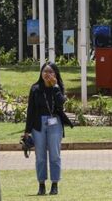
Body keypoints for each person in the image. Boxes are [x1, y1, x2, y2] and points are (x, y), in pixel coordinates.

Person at [23, 62, 73, 196]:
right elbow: (31, 111)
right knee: (40, 156)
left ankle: (55, 184)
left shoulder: (58, 87)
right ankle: (41, 185)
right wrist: (27, 131)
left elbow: (60, 103)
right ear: (41, 73)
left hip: (55, 123)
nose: (47, 74)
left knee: (55, 155)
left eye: (51, 72)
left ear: (55, 74)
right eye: (45, 71)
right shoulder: (35, 88)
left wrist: (55, 87)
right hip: (38, 124)